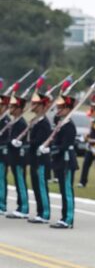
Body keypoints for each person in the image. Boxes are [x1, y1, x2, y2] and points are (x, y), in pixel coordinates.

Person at [14, 80, 52, 224]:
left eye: (36, 104)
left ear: (42, 106)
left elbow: (39, 141)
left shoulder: (44, 123)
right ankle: (39, 212)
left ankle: (45, 213)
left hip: (41, 160)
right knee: (35, 186)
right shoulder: (35, 121)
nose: (33, 106)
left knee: (41, 186)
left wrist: (27, 143)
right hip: (34, 159)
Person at [44, 84, 79, 229]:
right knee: (62, 190)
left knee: (67, 190)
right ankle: (64, 216)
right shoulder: (60, 123)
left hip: (66, 159)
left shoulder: (69, 125)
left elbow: (65, 145)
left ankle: (68, 219)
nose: (58, 110)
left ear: (68, 109)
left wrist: (52, 149)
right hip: (60, 159)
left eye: (61, 108)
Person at [5, 85, 29, 219]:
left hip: (19, 157)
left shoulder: (21, 123)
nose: (10, 109)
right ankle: (20, 206)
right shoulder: (15, 122)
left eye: (13, 107)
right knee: (17, 182)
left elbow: (21, 141)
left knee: (20, 182)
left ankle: (24, 208)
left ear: (19, 109)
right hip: (13, 157)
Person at [0, 79, 13, 215]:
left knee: (1, 180)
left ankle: (2, 205)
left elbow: (7, 140)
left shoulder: (7, 121)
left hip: (2, 155)